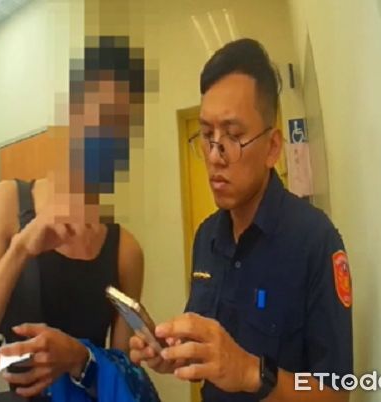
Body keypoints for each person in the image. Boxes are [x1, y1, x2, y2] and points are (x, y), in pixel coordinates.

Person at [129, 38, 353, 402]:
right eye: (207, 136)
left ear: (273, 147)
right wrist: (172, 353)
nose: (214, 156)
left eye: (233, 137)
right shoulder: (206, 236)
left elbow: (336, 394)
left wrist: (251, 373)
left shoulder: (314, 240)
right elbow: (208, 350)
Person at [0, 36, 155, 401]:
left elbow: (119, 379)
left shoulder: (126, 251)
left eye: (119, 124)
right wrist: (21, 248)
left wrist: (86, 358)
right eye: (96, 114)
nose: (105, 136)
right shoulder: (10, 201)